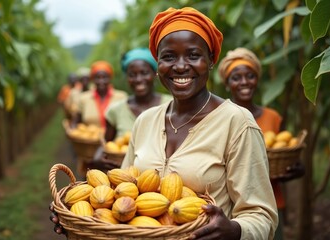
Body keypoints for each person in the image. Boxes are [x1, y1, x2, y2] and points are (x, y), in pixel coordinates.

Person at [51, 7, 278, 239]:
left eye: (193, 55)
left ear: (210, 61)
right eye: (169, 57)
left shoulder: (237, 122)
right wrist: (78, 216)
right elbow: (122, 196)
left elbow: (261, 215)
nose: (180, 66)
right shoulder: (145, 121)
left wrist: (234, 230)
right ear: (158, 65)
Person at [217, 47, 304, 240]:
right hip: (229, 208)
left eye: (250, 76)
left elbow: (284, 150)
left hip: (270, 204)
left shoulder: (272, 116)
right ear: (227, 83)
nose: (244, 82)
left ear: (257, 79)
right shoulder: (219, 118)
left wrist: (294, 169)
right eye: (236, 77)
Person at [95, 47, 172, 170]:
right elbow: (106, 143)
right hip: (124, 181)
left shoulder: (172, 104)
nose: (138, 79)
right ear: (127, 78)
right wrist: (98, 155)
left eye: (144, 73)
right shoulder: (115, 110)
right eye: (132, 75)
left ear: (154, 74)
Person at [71, 60, 127, 129]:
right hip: (90, 138)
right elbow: (75, 121)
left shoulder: (121, 97)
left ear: (110, 78)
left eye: (105, 77)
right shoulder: (83, 98)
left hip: (117, 140)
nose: (101, 81)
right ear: (92, 79)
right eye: (97, 78)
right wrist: (73, 131)